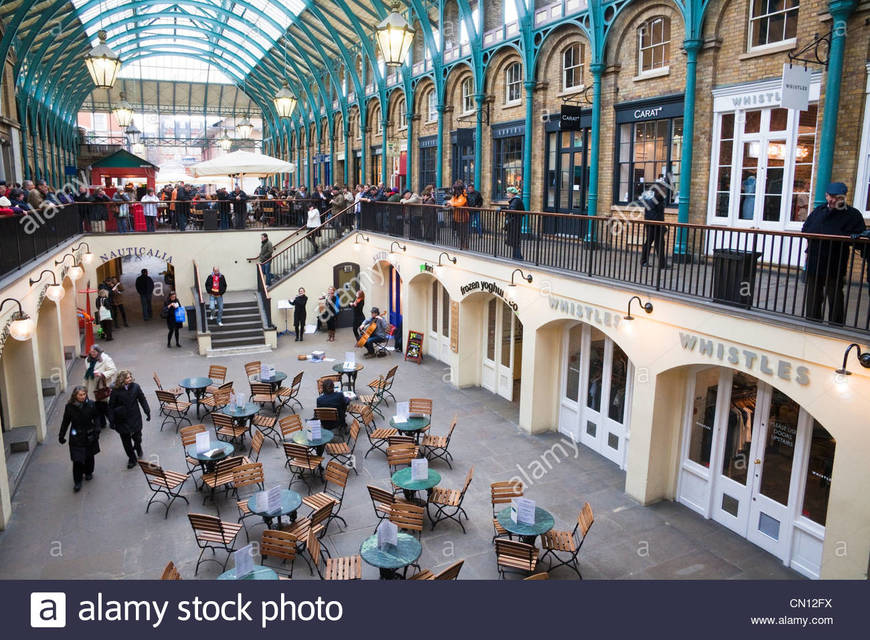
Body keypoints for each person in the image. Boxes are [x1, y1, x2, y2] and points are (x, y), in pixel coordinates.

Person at [802, 182, 866, 324]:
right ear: (826, 195)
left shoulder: (852, 214)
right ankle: (812, 320)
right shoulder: (819, 211)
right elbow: (806, 228)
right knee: (814, 292)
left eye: (837, 198)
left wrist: (853, 237)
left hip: (835, 260)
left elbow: (859, 236)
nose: (833, 200)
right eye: (830, 196)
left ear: (843, 198)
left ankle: (836, 323)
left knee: (835, 293)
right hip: (815, 257)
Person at [58, 386, 101, 492]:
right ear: (75, 396)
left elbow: (96, 417)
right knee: (77, 460)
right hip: (76, 436)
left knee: (89, 456)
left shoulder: (91, 404)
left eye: (84, 394)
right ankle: (77, 481)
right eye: (80, 395)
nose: (82, 397)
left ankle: (88, 472)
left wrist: (97, 429)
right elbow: (65, 422)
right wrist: (61, 435)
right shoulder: (69, 407)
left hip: (89, 434)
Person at [109, 370, 151, 469]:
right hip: (122, 419)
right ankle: (132, 459)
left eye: (130, 377)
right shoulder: (115, 391)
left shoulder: (135, 387)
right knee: (126, 441)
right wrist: (112, 420)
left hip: (134, 417)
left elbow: (142, 399)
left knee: (138, 437)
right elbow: (111, 406)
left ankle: (138, 446)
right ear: (122, 379)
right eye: (127, 377)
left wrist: (147, 411)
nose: (130, 379)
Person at [83, 345, 117, 430]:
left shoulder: (106, 359)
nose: (92, 354)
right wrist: (84, 387)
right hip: (91, 386)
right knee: (96, 406)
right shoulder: (87, 360)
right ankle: (101, 423)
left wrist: (102, 374)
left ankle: (113, 422)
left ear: (98, 352)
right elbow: (86, 374)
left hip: (102, 386)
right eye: (91, 352)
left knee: (105, 406)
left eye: (94, 352)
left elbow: (113, 370)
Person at [640, 178, 670, 269]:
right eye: (664, 188)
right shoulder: (655, 198)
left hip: (653, 224)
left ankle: (659, 263)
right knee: (654, 243)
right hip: (653, 224)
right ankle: (647, 261)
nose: (665, 190)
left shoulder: (655, 197)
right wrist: (661, 225)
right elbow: (652, 213)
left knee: (656, 243)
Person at [503, 186, 525, 260]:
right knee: (515, 239)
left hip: (515, 223)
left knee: (515, 239)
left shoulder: (515, 200)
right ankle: (516, 256)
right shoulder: (515, 200)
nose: (507, 194)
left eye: (508, 193)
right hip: (515, 222)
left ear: (512, 194)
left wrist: (504, 210)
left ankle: (518, 256)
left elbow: (512, 210)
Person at [449, 182, 469, 250]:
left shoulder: (463, 196)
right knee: (459, 232)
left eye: (455, 189)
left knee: (463, 232)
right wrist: (451, 203)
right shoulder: (455, 196)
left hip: (463, 218)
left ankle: (464, 245)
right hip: (457, 217)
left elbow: (460, 203)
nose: (454, 191)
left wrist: (452, 203)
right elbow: (451, 201)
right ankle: (461, 244)